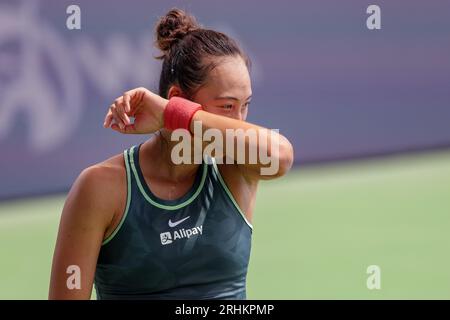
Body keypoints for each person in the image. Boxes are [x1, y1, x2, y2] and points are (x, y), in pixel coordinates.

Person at [49, 8, 294, 299]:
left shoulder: (236, 166)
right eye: (227, 107)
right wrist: (176, 116)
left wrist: (171, 113)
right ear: (178, 99)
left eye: (245, 105)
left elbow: (279, 157)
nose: (237, 122)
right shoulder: (100, 187)